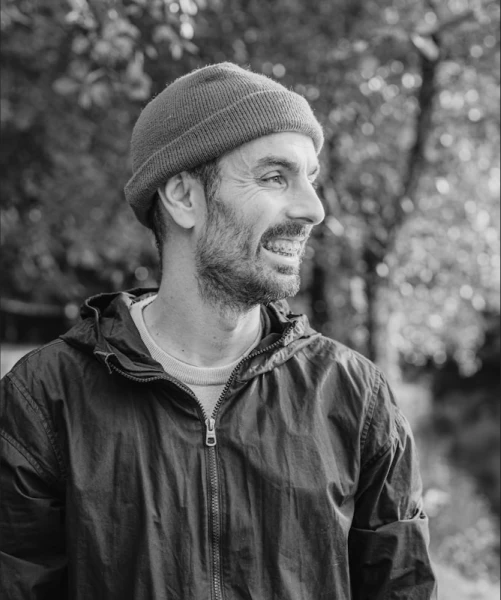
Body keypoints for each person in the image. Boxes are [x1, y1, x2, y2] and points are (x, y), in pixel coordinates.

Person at [0, 62, 437, 599]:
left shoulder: (356, 398)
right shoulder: (45, 401)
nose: (314, 209)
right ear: (184, 197)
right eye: (275, 177)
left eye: (310, 177)